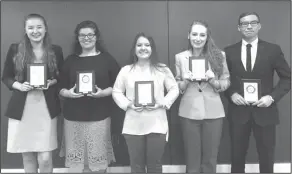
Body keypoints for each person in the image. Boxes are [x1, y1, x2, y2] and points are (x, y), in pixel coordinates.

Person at [224, 12, 291, 173]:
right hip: (238, 112)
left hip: (265, 111)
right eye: (244, 23)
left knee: (267, 156)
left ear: (259, 26)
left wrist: (272, 97)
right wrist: (231, 94)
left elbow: (287, 79)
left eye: (253, 23)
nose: (249, 26)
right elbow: (223, 80)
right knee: (237, 156)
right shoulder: (228, 52)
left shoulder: (273, 50)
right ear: (238, 28)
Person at [1, 13, 64, 173]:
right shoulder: (15, 49)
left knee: (45, 158)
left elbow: (61, 77)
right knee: (27, 156)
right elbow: (6, 77)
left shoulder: (56, 50)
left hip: (46, 109)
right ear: (25, 30)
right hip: (22, 109)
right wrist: (19, 86)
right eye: (30, 27)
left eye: (39, 27)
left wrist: (52, 82)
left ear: (45, 29)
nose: (35, 31)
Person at [112, 33, 179, 173]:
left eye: (147, 45)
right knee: (136, 166)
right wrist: (128, 104)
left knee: (155, 165)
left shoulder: (162, 69)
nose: (143, 48)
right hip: (133, 125)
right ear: (134, 49)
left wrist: (164, 102)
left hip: (157, 124)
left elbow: (174, 89)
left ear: (152, 48)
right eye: (139, 45)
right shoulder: (126, 70)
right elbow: (116, 92)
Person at [58, 20, 118, 173]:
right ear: (77, 38)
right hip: (73, 118)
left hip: (100, 117)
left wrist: (103, 93)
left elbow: (119, 86)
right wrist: (68, 94)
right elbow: (59, 87)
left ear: (96, 37)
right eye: (82, 35)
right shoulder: (70, 60)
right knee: (79, 165)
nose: (86, 38)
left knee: (99, 164)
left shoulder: (107, 59)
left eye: (90, 34)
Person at [174, 20, 230, 173]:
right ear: (189, 36)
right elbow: (177, 85)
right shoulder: (180, 57)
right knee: (192, 157)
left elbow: (226, 82)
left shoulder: (219, 56)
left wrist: (213, 80)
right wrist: (185, 80)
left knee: (211, 157)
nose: (198, 38)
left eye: (202, 35)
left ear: (207, 37)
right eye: (194, 34)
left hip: (214, 112)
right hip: (188, 111)